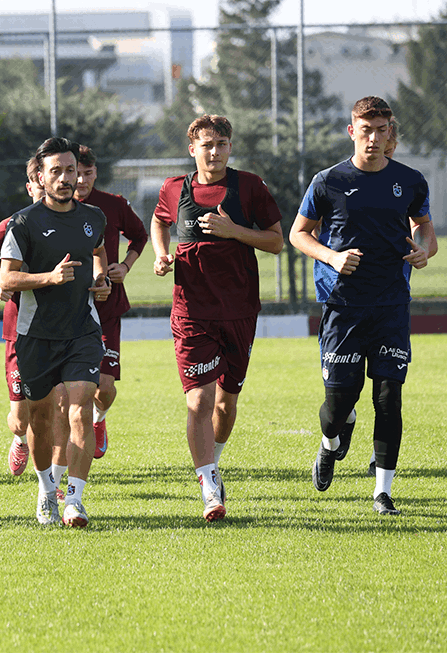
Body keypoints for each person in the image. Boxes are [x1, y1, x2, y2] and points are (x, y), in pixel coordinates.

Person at [290, 96, 436, 516]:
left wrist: (424, 252)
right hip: (344, 305)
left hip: (391, 303)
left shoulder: (410, 181)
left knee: (389, 397)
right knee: (338, 405)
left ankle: (382, 492)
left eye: (382, 129)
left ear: (391, 133)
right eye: (365, 129)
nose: (374, 138)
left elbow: (426, 233)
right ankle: (330, 442)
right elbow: (299, 234)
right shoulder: (327, 181)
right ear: (351, 131)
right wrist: (332, 257)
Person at [151, 115, 283, 522]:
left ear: (230, 147)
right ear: (192, 149)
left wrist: (232, 230)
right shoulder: (175, 188)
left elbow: (276, 241)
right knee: (198, 400)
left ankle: (215, 461)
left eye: (221, 143)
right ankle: (209, 486)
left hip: (239, 310)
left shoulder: (249, 187)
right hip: (192, 312)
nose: (214, 151)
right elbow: (159, 220)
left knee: (224, 406)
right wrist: (161, 253)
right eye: (206, 144)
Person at [0, 137, 110, 528]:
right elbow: (6, 277)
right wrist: (49, 277)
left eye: (71, 170)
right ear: (40, 178)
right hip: (35, 335)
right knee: (41, 421)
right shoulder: (24, 223)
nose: (66, 178)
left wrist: (101, 279)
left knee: (81, 408)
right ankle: (47, 489)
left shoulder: (93, 217)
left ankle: (75, 500)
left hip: (82, 330)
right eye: (56, 172)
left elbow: (98, 251)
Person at [0, 158, 68, 479]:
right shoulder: (10, 226)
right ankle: (19, 439)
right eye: (40, 185)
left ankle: (53, 484)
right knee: (21, 417)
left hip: (62, 330)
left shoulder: (70, 224)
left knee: (60, 408)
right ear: (31, 187)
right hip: (20, 331)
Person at [72, 144, 148, 460]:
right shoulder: (55, 208)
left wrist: (125, 266)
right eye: (75, 173)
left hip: (107, 305)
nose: (80, 180)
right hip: (68, 309)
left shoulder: (113, 205)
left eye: (87, 173)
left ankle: (99, 420)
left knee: (103, 388)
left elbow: (140, 236)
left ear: (95, 173)